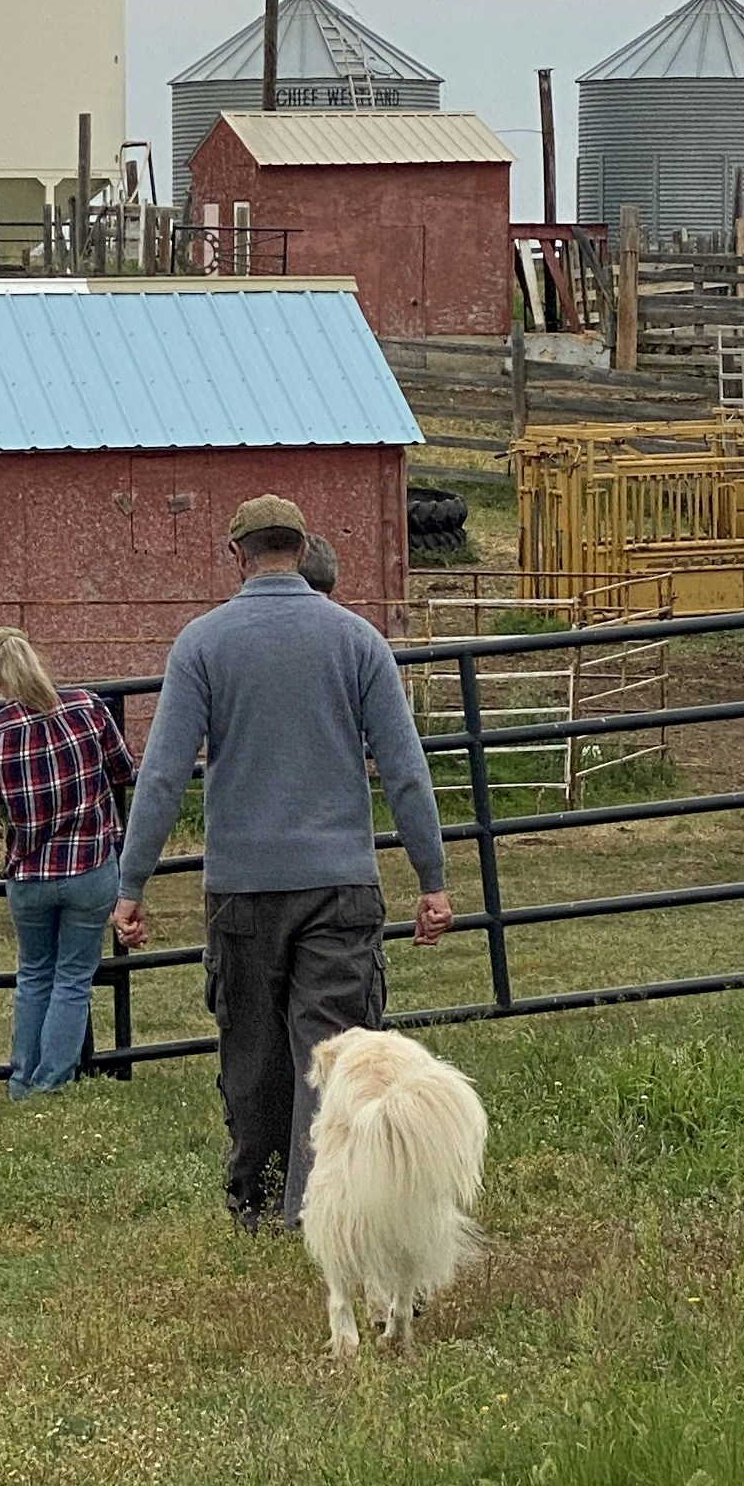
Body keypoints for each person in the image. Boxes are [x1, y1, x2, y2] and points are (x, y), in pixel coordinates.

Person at [111, 493, 454, 1227]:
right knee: (334, 1049)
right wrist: (432, 878)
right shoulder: (358, 642)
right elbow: (405, 768)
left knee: (254, 1049)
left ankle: (257, 1197)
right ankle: (319, 1205)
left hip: (242, 886)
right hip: (341, 883)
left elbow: (163, 774)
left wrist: (132, 882)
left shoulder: (201, 645)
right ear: (302, 550)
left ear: (237, 555)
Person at [0, 626, 137, 1096]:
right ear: (36, 660)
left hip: (30, 871)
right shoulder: (88, 708)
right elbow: (124, 768)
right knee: (73, 978)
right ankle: (52, 1082)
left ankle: (21, 1080)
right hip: (91, 865)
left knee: (34, 974)